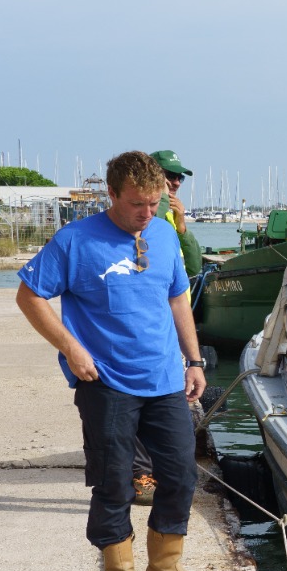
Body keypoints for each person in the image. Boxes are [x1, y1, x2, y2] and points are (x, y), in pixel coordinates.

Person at [16, 150, 216, 571]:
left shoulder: (165, 234)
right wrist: (71, 347)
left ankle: (165, 568)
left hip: (165, 378)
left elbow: (179, 300)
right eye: (136, 204)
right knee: (114, 482)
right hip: (105, 382)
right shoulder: (75, 240)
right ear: (111, 195)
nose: (147, 213)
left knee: (182, 474)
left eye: (155, 203)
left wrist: (194, 359)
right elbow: (30, 296)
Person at [131, 149, 204, 505]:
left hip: (176, 319)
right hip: (151, 323)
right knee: (145, 397)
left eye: (179, 178)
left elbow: (191, 265)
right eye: (169, 175)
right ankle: (143, 474)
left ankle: (152, 471)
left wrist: (184, 226)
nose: (175, 182)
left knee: (165, 398)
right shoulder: (147, 216)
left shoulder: (170, 216)